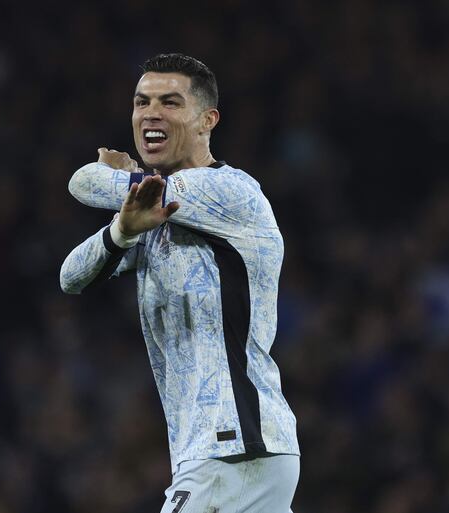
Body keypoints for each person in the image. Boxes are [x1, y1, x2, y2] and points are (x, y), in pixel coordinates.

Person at [60, 53, 300, 512]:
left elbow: (83, 182)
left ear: (207, 120)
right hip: (238, 451)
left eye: (170, 102)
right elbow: (71, 277)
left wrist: (114, 173)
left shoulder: (229, 191)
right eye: (141, 101)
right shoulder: (156, 213)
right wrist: (123, 231)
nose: (151, 112)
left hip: (232, 444)